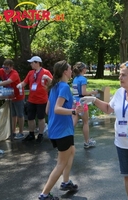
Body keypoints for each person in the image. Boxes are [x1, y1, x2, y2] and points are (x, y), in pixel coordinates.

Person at [80, 61, 128, 200]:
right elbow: (108, 109)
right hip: (122, 143)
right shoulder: (119, 93)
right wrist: (93, 100)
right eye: (120, 75)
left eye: (123, 75)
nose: (120, 78)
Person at [38, 60, 80, 200]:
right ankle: (44, 194)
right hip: (63, 131)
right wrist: (73, 111)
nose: (71, 71)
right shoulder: (63, 87)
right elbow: (56, 109)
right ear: (64, 72)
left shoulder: (54, 87)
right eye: (69, 69)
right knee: (60, 164)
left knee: (72, 151)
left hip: (56, 130)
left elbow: (47, 109)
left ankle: (66, 182)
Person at [16, 56, 53, 143]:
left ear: (37, 63)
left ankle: (40, 134)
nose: (31, 64)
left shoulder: (46, 72)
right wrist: (20, 85)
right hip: (31, 99)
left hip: (42, 99)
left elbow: (53, 83)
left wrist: (48, 78)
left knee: (41, 117)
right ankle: (31, 134)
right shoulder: (30, 73)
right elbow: (25, 82)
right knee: (30, 118)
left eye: (32, 62)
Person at [72, 62, 97, 149]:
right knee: (85, 122)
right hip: (82, 102)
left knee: (73, 123)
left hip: (74, 102)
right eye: (86, 68)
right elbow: (83, 93)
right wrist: (92, 92)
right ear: (83, 70)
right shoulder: (83, 79)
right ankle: (87, 142)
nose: (86, 69)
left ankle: (67, 140)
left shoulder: (75, 79)